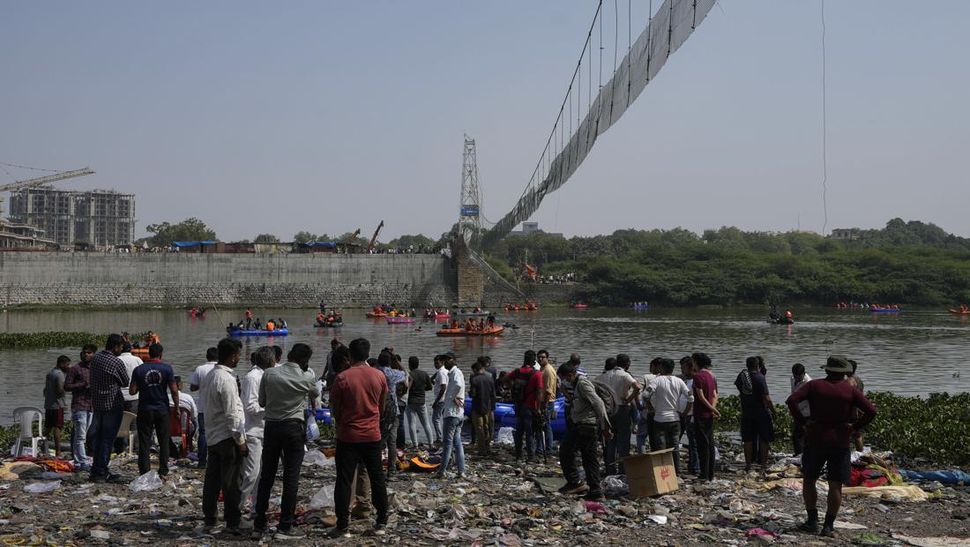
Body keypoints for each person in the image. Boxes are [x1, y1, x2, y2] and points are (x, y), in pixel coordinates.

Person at [787, 356, 877, 538]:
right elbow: (871, 411)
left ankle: (812, 520)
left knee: (809, 479)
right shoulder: (850, 390)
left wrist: (803, 422)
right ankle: (828, 526)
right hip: (840, 441)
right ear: (844, 372)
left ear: (826, 370)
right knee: (835, 484)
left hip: (815, 438)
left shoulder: (814, 386)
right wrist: (854, 427)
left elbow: (791, 401)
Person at [252, 344, 319, 540]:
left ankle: (259, 523)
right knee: (291, 478)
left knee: (267, 476)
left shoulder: (269, 374)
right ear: (305, 361)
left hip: (272, 427)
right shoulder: (306, 377)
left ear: (288, 355)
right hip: (293, 428)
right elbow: (315, 394)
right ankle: (285, 525)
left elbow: (262, 402)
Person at [330, 338, 390, 538]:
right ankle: (381, 521)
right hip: (372, 435)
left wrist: (343, 422)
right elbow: (381, 407)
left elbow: (335, 410)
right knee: (377, 478)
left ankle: (343, 526)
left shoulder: (342, 378)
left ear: (350, 355)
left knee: (344, 480)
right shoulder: (379, 376)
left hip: (348, 436)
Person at [201, 338, 248, 535]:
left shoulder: (210, 375)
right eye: (238, 355)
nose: (239, 358)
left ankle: (210, 517)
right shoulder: (226, 379)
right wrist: (240, 441)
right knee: (231, 482)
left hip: (213, 435)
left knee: (212, 480)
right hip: (227, 437)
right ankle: (233, 521)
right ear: (232, 356)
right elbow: (232, 414)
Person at [557, 361, 612, 500]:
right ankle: (588, 488)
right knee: (583, 457)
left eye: (565, 378)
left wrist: (605, 427)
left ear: (570, 375)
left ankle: (583, 485)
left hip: (586, 426)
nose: (564, 381)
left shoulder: (582, 383)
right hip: (582, 425)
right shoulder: (576, 384)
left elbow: (598, 403)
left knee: (574, 454)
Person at [129, 343, 178, 477]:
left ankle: (144, 471)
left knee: (144, 441)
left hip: (144, 409)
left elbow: (132, 391)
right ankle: (163, 470)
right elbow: (174, 390)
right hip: (162, 409)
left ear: (148, 353)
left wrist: (142, 386)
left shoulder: (139, 370)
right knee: (164, 441)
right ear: (161, 354)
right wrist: (177, 408)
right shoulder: (167, 369)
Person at [89, 334, 130, 483]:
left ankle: (96, 468)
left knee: (99, 438)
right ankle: (101, 471)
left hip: (98, 404)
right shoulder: (115, 361)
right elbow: (125, 381)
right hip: (112, 405)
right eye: (120, 347)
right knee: (107, 440)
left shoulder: (96, 358)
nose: (121, 350)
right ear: (116, 347)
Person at [239, 347, 274, 514]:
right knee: (251, 474)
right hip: (252, 431)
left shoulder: (263, 375)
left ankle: (255, 507)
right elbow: (251, 406)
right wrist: (271, 409)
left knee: (260, 474)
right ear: (268, 361)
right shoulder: (253, 377)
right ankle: (237, 507)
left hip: (261, 430)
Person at [648, 358, 693, 476]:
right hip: (675, 418)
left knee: (661, 447)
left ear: (662, 368)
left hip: (660, 419)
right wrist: (684, 413)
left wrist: (651, 408)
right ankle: (676, 471)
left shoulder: (657, 380)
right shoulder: (679, 381)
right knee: (675, 446)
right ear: (673, 368)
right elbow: (691, 397)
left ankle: (663, 472)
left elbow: (645, 394)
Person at [596, 354, 640, 474]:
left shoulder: (602, 377)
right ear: (627, 364)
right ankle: (622, 470)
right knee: (623, 441)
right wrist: (629, 399)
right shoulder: (624, 375)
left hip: (608, 411)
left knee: (610, 441)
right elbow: (637, 387)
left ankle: (610, 470)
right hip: (622, 409)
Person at [735, 356, 774, 474]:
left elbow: (739, 387)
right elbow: (766, 398)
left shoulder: (742, 377)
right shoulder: (760, 378)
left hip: (747, 412)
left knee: (747, 439)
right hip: (761, 413)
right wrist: (773, 410)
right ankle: (763, 465)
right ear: (758, 365)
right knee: (764, 439)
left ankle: (748, 465)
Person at [506, 351, 544, 461]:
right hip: (530, 406)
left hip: (519, 404)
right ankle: (531, 456)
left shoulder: (517, 372)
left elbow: (505, 379)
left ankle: (518, 455)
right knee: (530, 432)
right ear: (534, 361)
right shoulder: (537, 374)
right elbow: (539, 391)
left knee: (519, 431)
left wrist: (512, 388)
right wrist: (538, 408)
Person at [377, 351, 407, 479]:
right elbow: (405, 373)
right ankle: (391, 471)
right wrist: (396, 359)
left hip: (377, 412)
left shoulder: (374, 372)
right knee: (392, 442)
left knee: (378, 442)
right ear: (390, 362)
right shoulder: (392, 374)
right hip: (392, 411)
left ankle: (377, 471)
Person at [65, 345, 96, 471]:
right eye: (83, 353)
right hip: (79, 405)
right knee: (80, 436)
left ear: (93, 354)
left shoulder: (95, 368)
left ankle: (80, 460)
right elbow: (66, 386)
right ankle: (81, 462)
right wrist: (82, 385)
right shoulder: (75, 369)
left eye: (88, 353)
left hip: (91, 406)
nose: (85, 355)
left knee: (85, 435)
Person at [692, 352, 719, 482]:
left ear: (696, 362)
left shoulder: (698, 377)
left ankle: (704, 474)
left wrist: (712, 409)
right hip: (709, 414)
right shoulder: (711, 375)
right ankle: (711, 474)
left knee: (703, 445)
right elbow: (715, 394)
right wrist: (713, 409)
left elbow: (701, 397)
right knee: (710, 443)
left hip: (700, 413)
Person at [438, 353, 466, 477]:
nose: (444, 362)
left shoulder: (455, 372)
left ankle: (442, 471)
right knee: (457, 443)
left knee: (447, 443)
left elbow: (458, 385)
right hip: (458, 414)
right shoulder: (455, 373)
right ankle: (461, 471)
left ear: (453, 360)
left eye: (446, 360)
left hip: (452, 414)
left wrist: (452, 396)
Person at [190, 347, 218, 469]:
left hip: (202, 407)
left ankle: (202, 461)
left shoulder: (200, 369)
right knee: (217, 434)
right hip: (217, 408)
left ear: (207, 357)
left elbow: (192, 388)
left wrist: (203, 385)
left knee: (203, 433)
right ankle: (215, 460)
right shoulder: (220, 369)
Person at [43, 355, 71, 458]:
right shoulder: (60, 375)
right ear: (61, 364)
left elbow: (45, 390)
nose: (68, 367)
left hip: (49, 404)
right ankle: (58, 452)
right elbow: (59, 390)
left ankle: (43, 448)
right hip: (57, 405)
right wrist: (68, 388)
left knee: (48, 428)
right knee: (57, 427)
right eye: (67, 365)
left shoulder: (50, 373)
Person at [405, 356, 434, 447]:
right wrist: (422, 389)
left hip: (410, 402)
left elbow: (406, 388)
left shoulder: (409, 375)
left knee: (412, 424)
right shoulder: (424, 374)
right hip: (421, 402)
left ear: (410, 364)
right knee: (426, 423)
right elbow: (430, 387)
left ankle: (415, 445)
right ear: (418, 364)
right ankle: (431, 443)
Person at [678, 356, 700, 475]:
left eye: (684, 368)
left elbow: (693, 400)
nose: (682, 370)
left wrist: (686, 412)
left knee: (693, 442)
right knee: (677, 440)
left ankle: (695, 467)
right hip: (682, 414)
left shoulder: (695, 380)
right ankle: (689, 466)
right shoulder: (684, 380)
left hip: (689, 415)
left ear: (691, 367)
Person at [469, 359, 496, 456]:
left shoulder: (474, 379)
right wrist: (492, 406)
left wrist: (470, 394)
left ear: (476, 370)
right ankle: (487, 446)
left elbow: (473, 394)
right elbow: (493, 394)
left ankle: (482, 450)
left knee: (479, 428)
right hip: (487, 406)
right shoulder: (490, 378)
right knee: (486, 427)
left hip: (477, 407)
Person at [636, 359, 661, 454]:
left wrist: (639, 405)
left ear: (655, 366)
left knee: (641, 436)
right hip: (661, 414)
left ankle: (642, 456)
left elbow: (637, 390)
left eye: (651, 366)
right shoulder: (668, 379)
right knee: (657, 438)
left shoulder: (646, 377)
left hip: (647, 411)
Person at [537, 349, 557, 455]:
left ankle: (548, 449)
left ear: (547, 358)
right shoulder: (542, 368)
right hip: (543, 401)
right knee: (543, 426)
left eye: (542, 357)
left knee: (546, 426)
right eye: (539, 357)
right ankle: (541, 448)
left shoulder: (548, 370)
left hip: (547, 402)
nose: (540, 359)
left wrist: (544, 405)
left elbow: (549, 390)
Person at [790, 363, 812, 456]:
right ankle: (799, 454)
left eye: (799, 377)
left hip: (807, 411)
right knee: (797, 435)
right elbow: (793, 392)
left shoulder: (809, 382)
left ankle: (803, 455)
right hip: (797, 410)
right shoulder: (792, 378)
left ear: (804, 373)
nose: (796, 379)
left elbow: (811, 400)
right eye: (795, 376)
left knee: (803, 434)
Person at [846, 360, 866, 451]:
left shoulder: (850, 381)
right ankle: (860, 453)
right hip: (859, 409)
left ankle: (857, 454)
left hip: (853, 411)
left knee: (849, 434)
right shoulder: (858, 379)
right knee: (857, 434)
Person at [431, 355, 448, 444]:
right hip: (446, 399)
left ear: (442, 362)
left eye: (437, 363)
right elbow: (432, 379)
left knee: (435, 419)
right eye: (434, 363)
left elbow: (443, 387)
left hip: (441, 400)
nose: (435, 365)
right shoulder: (444, 371)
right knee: (444, 419)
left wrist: (436, 401)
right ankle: (444, 436)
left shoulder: (441, 373)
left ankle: (440, 438)